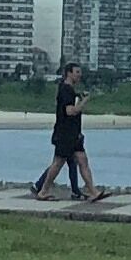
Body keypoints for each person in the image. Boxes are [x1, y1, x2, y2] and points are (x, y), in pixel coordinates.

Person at [32, 62, 104, 202]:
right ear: (69, 73)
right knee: (58, 163)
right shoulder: (65, 90)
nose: (79, 75)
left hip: (74, 134)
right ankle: (43, 190)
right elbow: (70, 111)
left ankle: (93, 191)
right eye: (77, 72)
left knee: (83, 161)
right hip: (65, 134)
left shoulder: (70, 90)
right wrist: (84, 102)